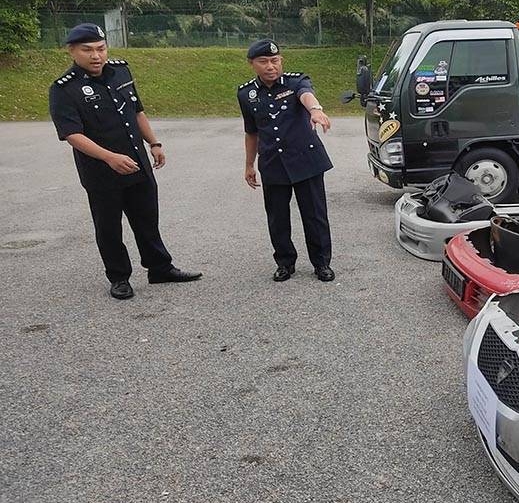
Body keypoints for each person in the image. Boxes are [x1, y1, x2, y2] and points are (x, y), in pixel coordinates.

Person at [48, 23, 202, 300]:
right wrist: (109, 157)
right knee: (108, 227)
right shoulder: (64, 89)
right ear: (72, 51)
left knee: (147, 220)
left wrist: (154, 143)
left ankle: (159, 268)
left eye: (101, 48)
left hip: (137, 164)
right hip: (101, 171)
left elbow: (137, 110)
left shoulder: (121, 71)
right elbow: (72, 134)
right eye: (88, 50)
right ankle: (119, 277)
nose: (96, 56)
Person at [237, 39, 335, 282]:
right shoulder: (246, 94)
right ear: (252, 64)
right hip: (273, 163)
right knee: (277, 218)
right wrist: (249, 164)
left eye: (275, 60)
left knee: (315, 215)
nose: (271, 66)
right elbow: (252, 132)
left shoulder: (295, 81)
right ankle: (284, 263)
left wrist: (316, 110)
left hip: (306, 159)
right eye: (264, 62)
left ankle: (321, 263)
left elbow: (307, 95)